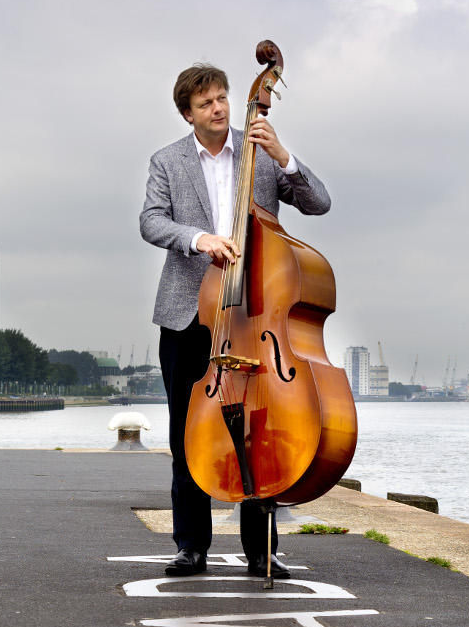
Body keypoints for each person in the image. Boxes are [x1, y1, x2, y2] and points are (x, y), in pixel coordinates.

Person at [140, 62, 331, 578]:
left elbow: (320, 204)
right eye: (205, 103)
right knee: (188, 431)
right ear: (188, 113)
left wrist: (284, 157)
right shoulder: (168, 161)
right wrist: (199, 239)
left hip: (254, 314)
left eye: (222, 97)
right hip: (189, 311)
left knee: (260, 428)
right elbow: (151, 221)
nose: (219, 107)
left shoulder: (260, 152)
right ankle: (191, 545)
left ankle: (260, 551)